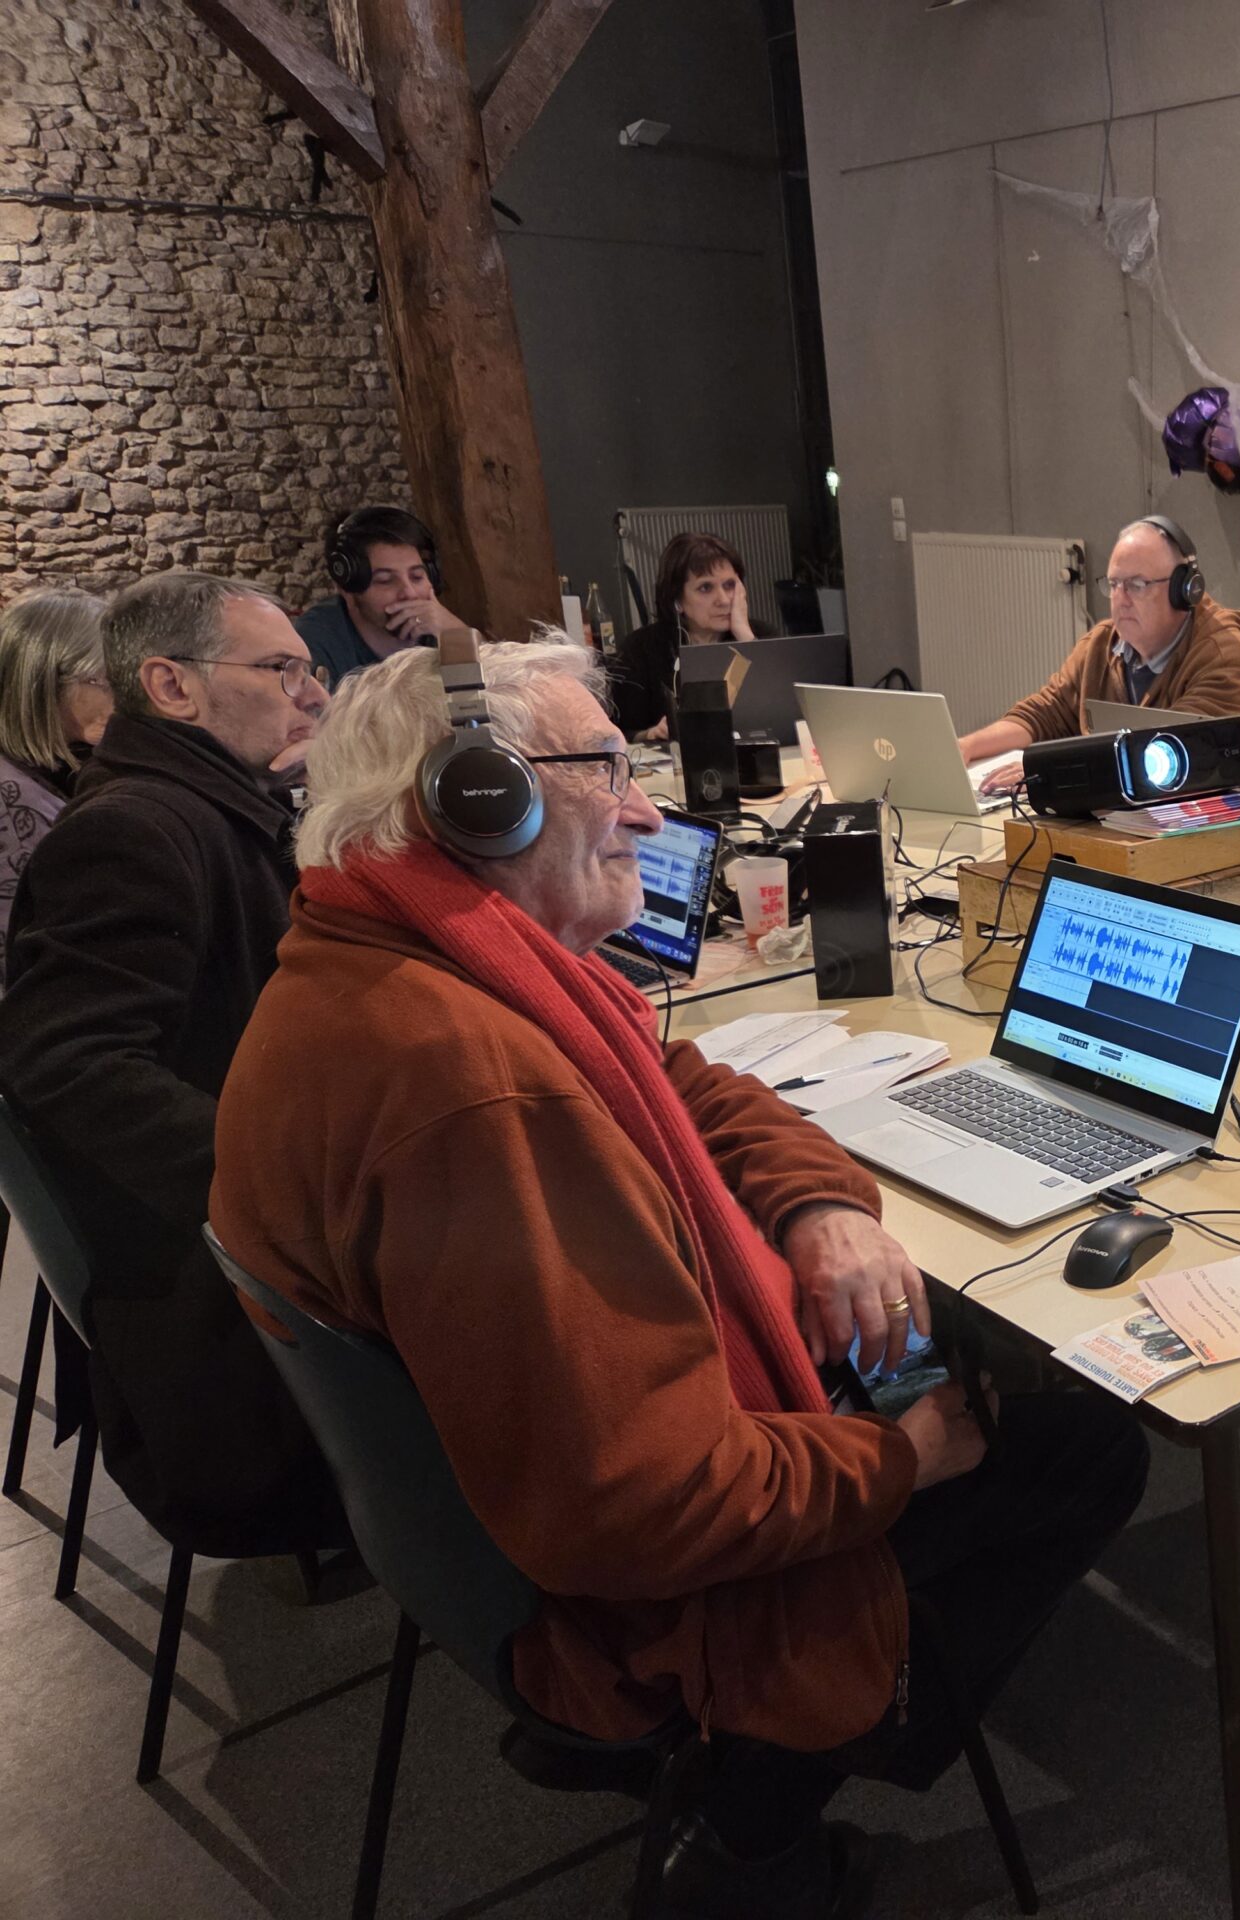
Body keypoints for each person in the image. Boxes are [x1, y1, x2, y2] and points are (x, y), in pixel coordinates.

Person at [212, 639, 1149, 1917]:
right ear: (481, 798)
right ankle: (752, 1821)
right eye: (604, 771)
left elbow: (693, 1083)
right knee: (1084, 1444)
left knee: (916, 1346)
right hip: (624, 1596)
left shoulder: (400, 959)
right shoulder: (478, 1090)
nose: (649, 813)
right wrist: (900, 1460)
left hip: (481, 1534)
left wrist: (821, 1205)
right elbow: (649, 1507)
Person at [0, 572, 344, 1560]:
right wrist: (276, 1180)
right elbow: (66, 1061)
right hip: (229, 1325)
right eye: (281, 670)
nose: (312, 696)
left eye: (311, 672)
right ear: (171, 686)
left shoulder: (204, 804)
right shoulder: (136, 828)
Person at [956, 515, 1240, 784]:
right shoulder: (1100, 645)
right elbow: (1045, 713)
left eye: (1137, 585)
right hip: (1127, 818)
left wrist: (1047, 771)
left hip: (1222, 820)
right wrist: (967, 747)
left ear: (1185, 589)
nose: (1121, 599)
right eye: (1114, 584)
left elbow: (1164, 753)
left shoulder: (1225, 658)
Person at [0, 588, 113, 937]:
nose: (121, 699)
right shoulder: (12, 798)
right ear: (43, 682)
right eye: (104, 680)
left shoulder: (61, 768)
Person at [605, 530, 773, 739]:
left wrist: (746, 639)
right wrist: (650, 734)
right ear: (677, 599)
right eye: (706, 588)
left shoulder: (759, 636)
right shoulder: (640, 649)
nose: (723, 600)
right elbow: (619, 733)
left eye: (729, 585)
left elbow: (782, 710)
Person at [294, 505, 462, 687]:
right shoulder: (316, 640)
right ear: (347, 590)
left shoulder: (441, 631)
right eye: (385, 580)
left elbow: (483, 694)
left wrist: (458, 635)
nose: (410, 593)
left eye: (417, 577)